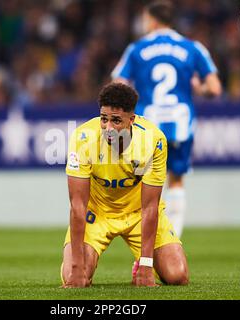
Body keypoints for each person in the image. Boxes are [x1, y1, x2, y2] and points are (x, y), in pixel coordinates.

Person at [112, 0, 222, 238]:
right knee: (176, 182)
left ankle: (148, 243)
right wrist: (198, 87)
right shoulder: (193, 48)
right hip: (181, 124)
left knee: (148, 183)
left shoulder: (137, 49)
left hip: (147, 126)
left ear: (152, 19)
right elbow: (214, 89)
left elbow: (117, 86)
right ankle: (174, 241)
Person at [61, 82, 189, 288]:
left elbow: (150, 207)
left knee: (177, 275)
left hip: (139, 212)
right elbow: (77, 206)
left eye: (116, 120)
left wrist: (147, 265)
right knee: (75, 277)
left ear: (132, 119)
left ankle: (141, 262)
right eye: (104, 119)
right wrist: (76, 268)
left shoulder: (153, 141)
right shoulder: (82, 138)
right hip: (97, 214)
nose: (108, 128)